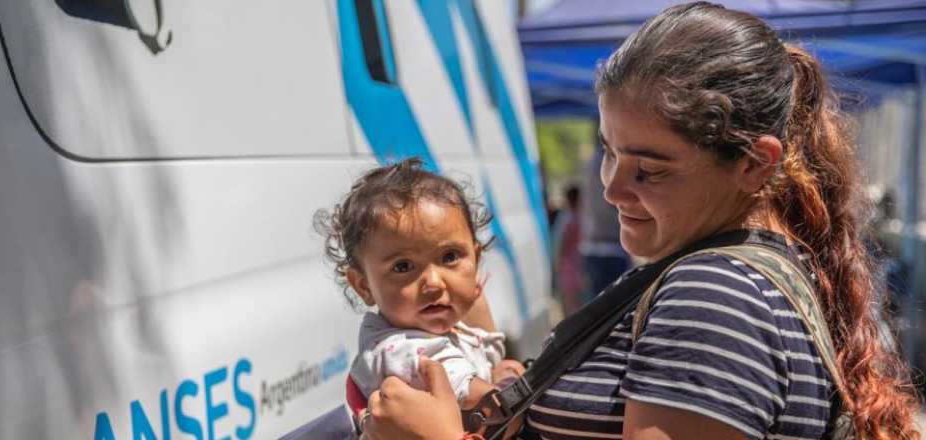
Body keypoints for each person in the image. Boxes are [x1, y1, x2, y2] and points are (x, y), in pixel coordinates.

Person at [360, 2, 922, 439]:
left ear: (754, 164)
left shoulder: (715, 295)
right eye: (608, 151)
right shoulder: (725, 269)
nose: (610, 186)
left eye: (648, 170)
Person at [314, 158, 526, 434]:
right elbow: (493, 409)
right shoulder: (399, 350)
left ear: (476, 259)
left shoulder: (444, 328)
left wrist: (497, 369)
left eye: (449, 257)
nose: (434, 283)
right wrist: (508, 382)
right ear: (363, 286)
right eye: (402, 267)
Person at [580, 145, 631, 300]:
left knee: (598, 306)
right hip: (612, 248)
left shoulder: (591, 163)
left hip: (592, 247)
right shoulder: (613, 160)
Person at [551, 185, 587, 312]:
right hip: (580, 262)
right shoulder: (582, 217)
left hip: (569, 265)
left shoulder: (567, 218)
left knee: (570, 302)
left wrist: (557, 263)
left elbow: (561, 245)